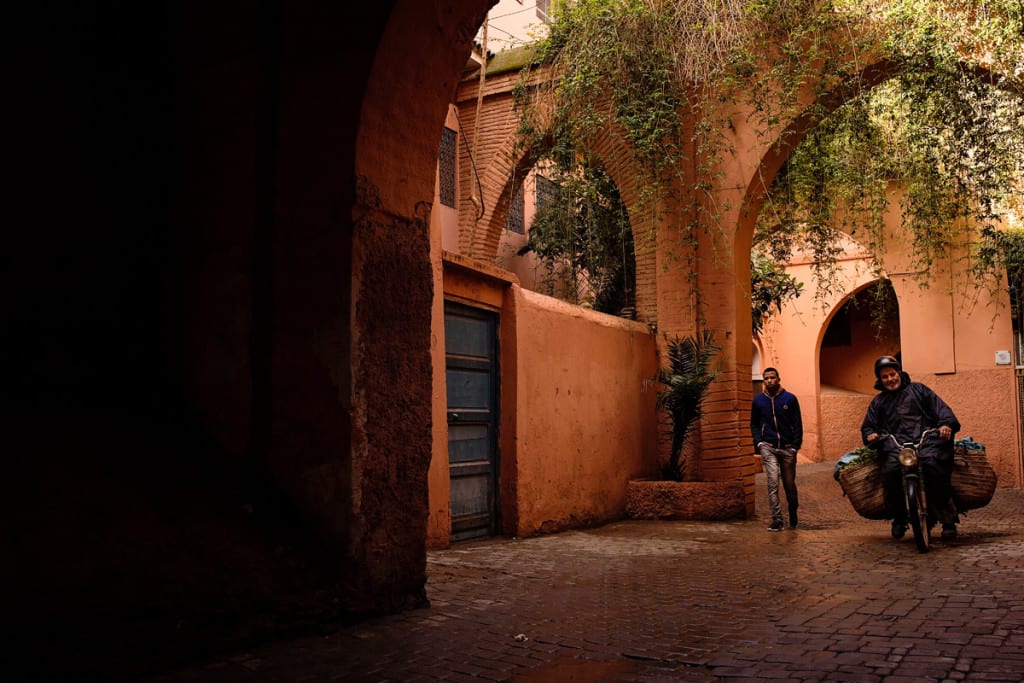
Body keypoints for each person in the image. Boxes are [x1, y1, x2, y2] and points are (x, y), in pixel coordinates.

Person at [861, 355, 961, 541]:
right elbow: (868, 425)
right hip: (896, 446)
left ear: (899, 373)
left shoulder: (919, 390)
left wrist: (945, 424)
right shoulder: (878, 402)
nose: (890, 379)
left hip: (926, 442)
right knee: (890, 472)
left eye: (892, 374)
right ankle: (899, 517)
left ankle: (948, 519)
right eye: (885, 377)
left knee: (934, 468)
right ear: (880, 380)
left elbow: (941, 409)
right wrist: (871, 434)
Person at [751, 367, 803, 532]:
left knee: (789, 485)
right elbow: (754, 424)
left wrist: (795, 447)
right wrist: (759, 443)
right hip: (769, 448)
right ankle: (777, 519)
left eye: (772, 377)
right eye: (766, 378)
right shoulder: (758, 401)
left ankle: (793, 510)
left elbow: (797, 424)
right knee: (772, 483)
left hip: (788, 449)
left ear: (778, 379)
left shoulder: (790, 399)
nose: (769, 381)